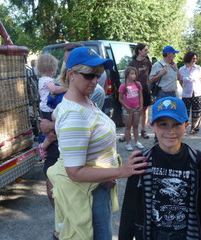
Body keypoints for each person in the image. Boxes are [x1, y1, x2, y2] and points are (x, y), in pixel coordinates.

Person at [47, 47, 148, 240]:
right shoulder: (74, 116)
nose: (94, 81)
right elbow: (74, 172)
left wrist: (50, 125)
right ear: (71, 74)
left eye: (98, 74)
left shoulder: (78, 102)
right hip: (88, 194)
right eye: (88, 75)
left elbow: (57, 113)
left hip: (97, 185)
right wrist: (122, 171)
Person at [119, 96, 201, 240]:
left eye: (177, 124)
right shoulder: (141, 161)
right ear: (152, 126)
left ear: (186, 125)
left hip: (187, 235)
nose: (170, 131)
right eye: (163, 124)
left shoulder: (198, 162)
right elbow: (129, 209)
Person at [37, 54, 66, 159]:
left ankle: (43, 146)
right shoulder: (47, 80)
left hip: (45, 108)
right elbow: (54, 90)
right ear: (51, 68)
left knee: (51, 133)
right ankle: (42, 146)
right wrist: (67, 88)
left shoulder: (41, 80)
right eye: (55, 70)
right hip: (48, 109)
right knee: (53, 131)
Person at [128, 43, 152, 139]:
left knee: (145, 110)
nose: (147, 51)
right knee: (133, 111)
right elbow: (128, 77)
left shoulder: (148, 63)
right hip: (134, 90)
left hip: (145, 89)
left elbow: (151, 75)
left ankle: (143, 130)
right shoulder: (132, 63)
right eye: (145, 50)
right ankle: (129, 132)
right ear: (139, 51)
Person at [118, 66, 144, 151]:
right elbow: (120, 99)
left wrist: (141, 106)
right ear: (127, 75)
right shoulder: (123, 86)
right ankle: (128, 143)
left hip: (136, 108)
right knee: (128, 126)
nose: (134, 75)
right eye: (132, 73)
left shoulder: (138, 84)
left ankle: (137, 141)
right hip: (128, 109)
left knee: (136, 125)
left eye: (135, 73)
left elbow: (140, 96)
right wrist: (126, 107)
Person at [179, 51, 201, 134]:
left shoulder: (198, 68)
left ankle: (195, 128)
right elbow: (180, 81)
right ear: (189, 58)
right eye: (193, 58)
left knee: (197, 112)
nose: (195, 60)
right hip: (186, 93)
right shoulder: (182, 69)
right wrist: (185, 88)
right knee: (185, 112)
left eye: (196, 58)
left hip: (198, 93)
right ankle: (184, 128)